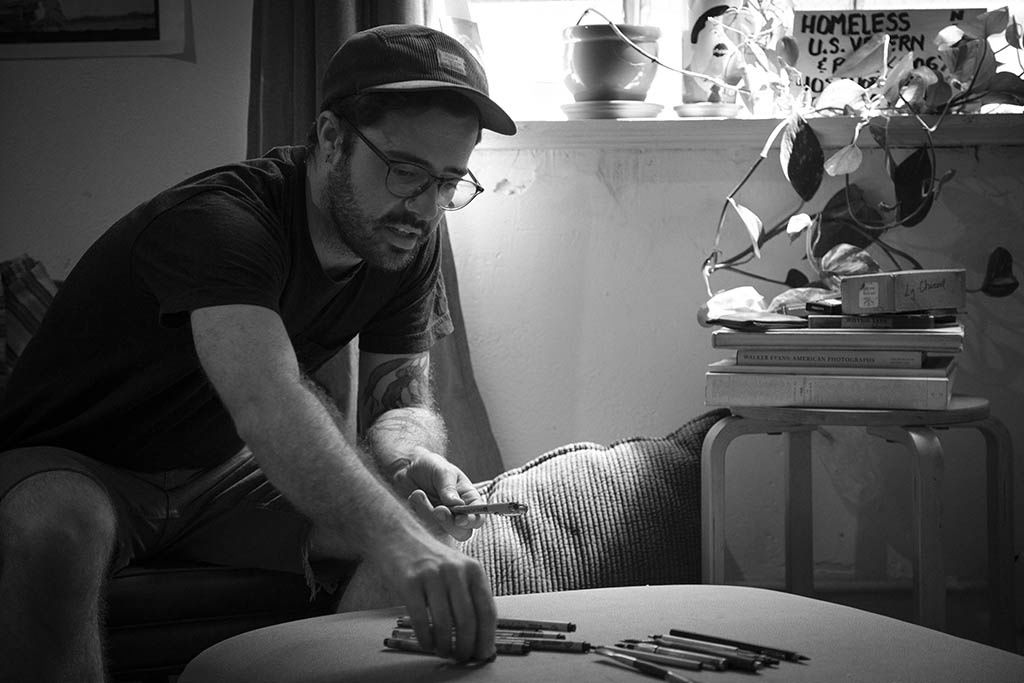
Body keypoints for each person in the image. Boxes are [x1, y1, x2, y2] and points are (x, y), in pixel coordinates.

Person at [0, 23, 517, 682]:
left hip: (218, 475)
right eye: (405, 171)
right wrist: (400, 544)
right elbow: (268, 402)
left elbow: (399, 399)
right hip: (78, 462)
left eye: (448, 182)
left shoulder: (406, 238)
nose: (424, 207)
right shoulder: (222, 223)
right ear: (330, 139)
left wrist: (409, 457)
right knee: (56, 528)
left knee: (421, 514)